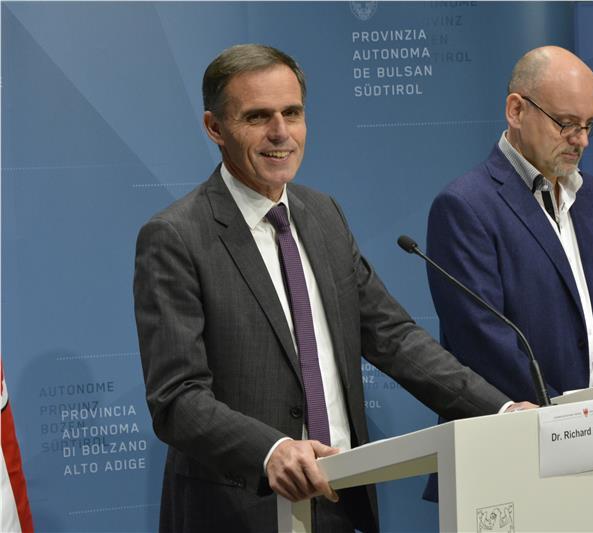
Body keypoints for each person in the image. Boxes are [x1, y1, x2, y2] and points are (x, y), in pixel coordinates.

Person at [133, 44, 533, 533]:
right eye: (257, 117)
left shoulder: (323, 215)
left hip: (340, 499)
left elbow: (394, 338)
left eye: (292, 113)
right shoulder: (176, 237)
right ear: (215, 128)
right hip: (240, 510)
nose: (280, 132)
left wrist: (500, 410)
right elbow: (177, 399)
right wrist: (270, 450)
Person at [423, 45, 593, 500]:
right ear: (516, 110)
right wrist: (568, 425)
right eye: (566, 123)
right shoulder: (465, 206)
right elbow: (484, 341)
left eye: (589, 125)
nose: (581, 140)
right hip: (512, 455)